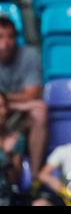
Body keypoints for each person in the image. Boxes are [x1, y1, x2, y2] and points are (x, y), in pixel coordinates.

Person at [0, 17, 47, 182]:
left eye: (10, 37)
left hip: (17, 114)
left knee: (39, 110)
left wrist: (5, 99)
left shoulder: (29, 55)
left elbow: (32, 94)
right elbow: (26, 96)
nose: (6, 43)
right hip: (6, 110)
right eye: (0, 37)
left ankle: (34, 177)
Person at [0, 92, 26, 206]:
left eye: (5, 106)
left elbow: (15, 180)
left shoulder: (16, 139)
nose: (4, 111)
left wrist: (7, 155)